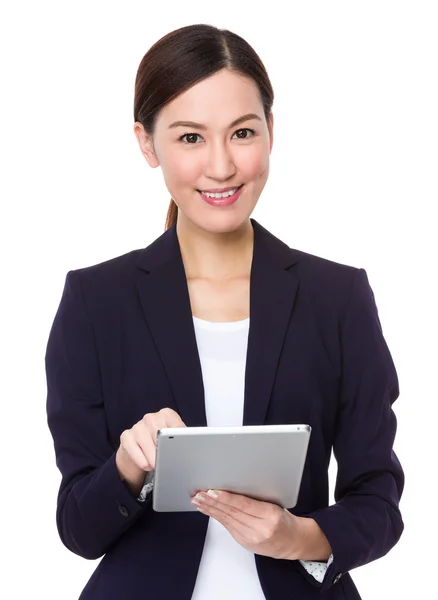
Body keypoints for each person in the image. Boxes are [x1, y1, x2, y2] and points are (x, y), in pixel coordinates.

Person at [45, 23, 404, 600]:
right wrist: (127, 467)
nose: (221, 166)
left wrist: (300, 535)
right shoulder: (96, 302)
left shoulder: (338, 298)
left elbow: (378, 500)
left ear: (270, 132)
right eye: (190, 138)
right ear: (146, 142)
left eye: (242, 132)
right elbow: (78, 528)